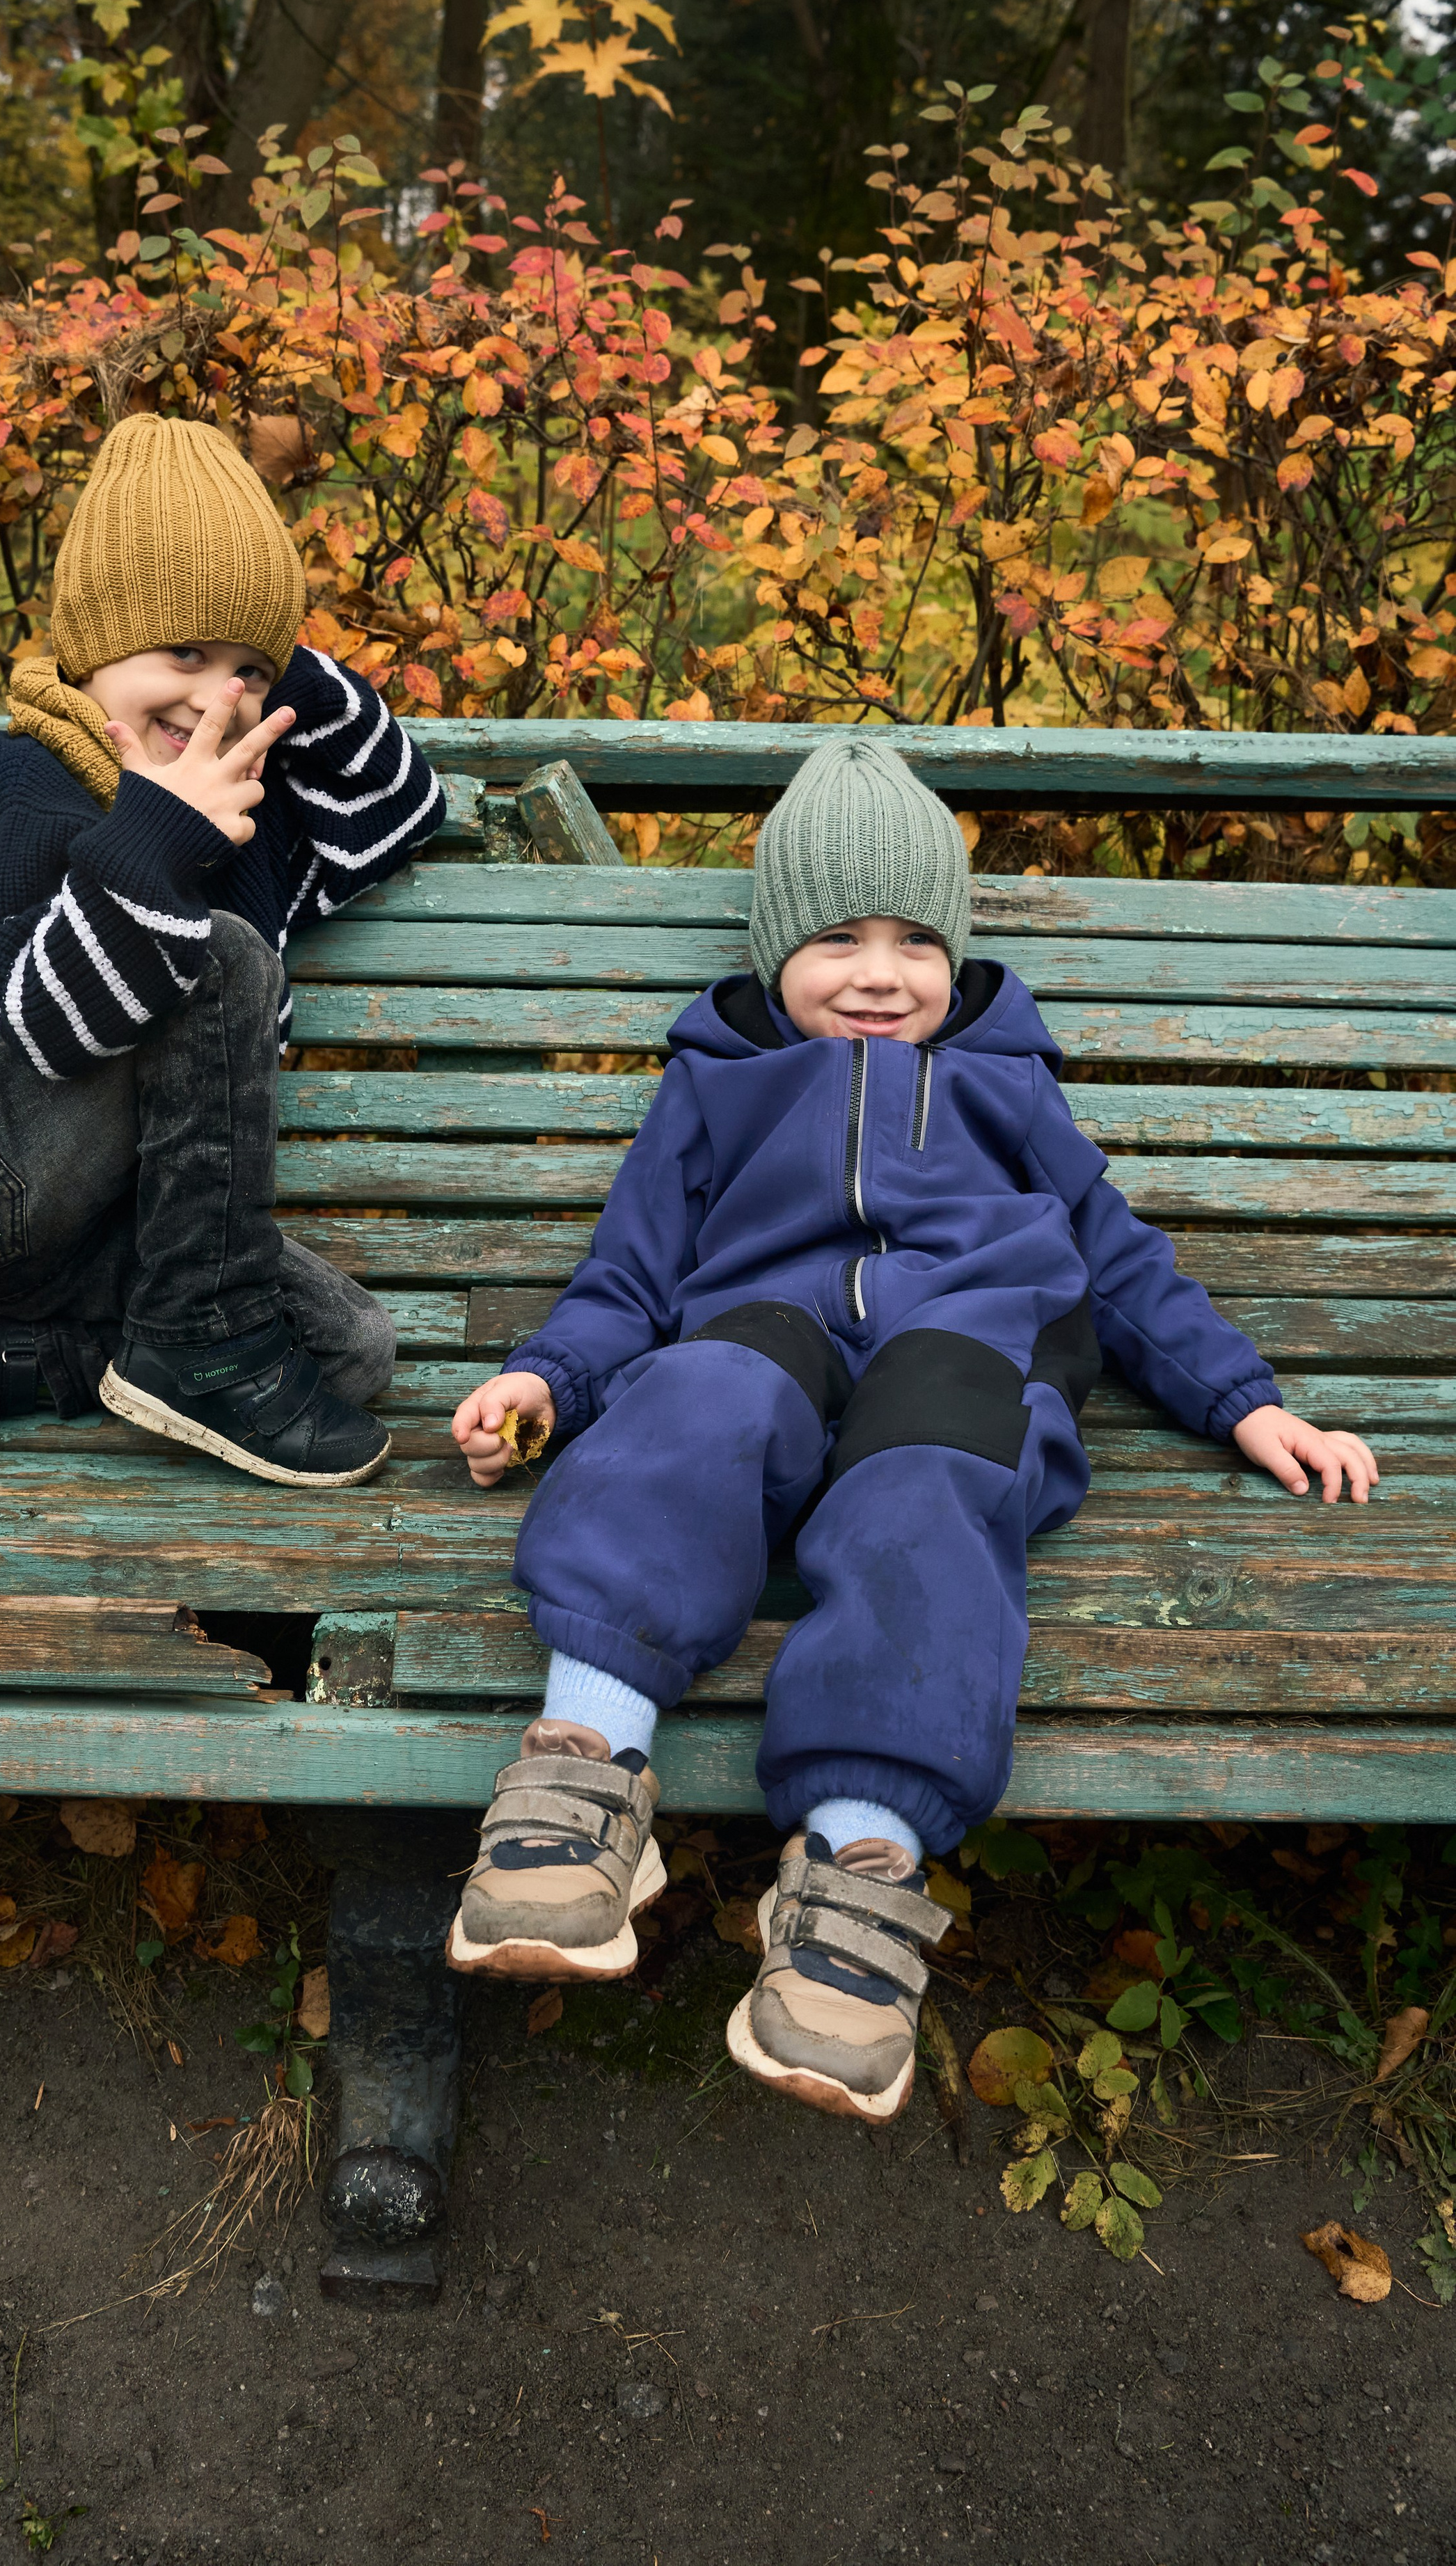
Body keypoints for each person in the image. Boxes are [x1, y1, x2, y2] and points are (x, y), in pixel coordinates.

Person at [445, 734, 1378, 2124]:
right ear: (774, 952)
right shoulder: (714, 1086)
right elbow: (629, 1283)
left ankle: (855, 1871)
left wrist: (1239, 1399)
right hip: (766, 1332)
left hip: (967, 1345)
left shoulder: (1006, 1087)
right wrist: (545, 1382)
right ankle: (583, 1773)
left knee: (925, 1487)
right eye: (836, 939)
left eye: (911, 943)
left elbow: (1118, 1266)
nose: (880, 973)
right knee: (694, 1393)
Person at [0, 413, 441, 1484]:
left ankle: (24, 1351)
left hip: (104, 1209)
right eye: (183, 653)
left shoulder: (241, 800)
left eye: (246, 669)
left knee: (351, 1348)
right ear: (96, 644)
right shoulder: (22, 783)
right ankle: (192, 1343)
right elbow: (46, 1026)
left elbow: (400, 802)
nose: (214, 696)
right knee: (222, 955)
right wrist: (162, 834)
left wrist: (277, 667)